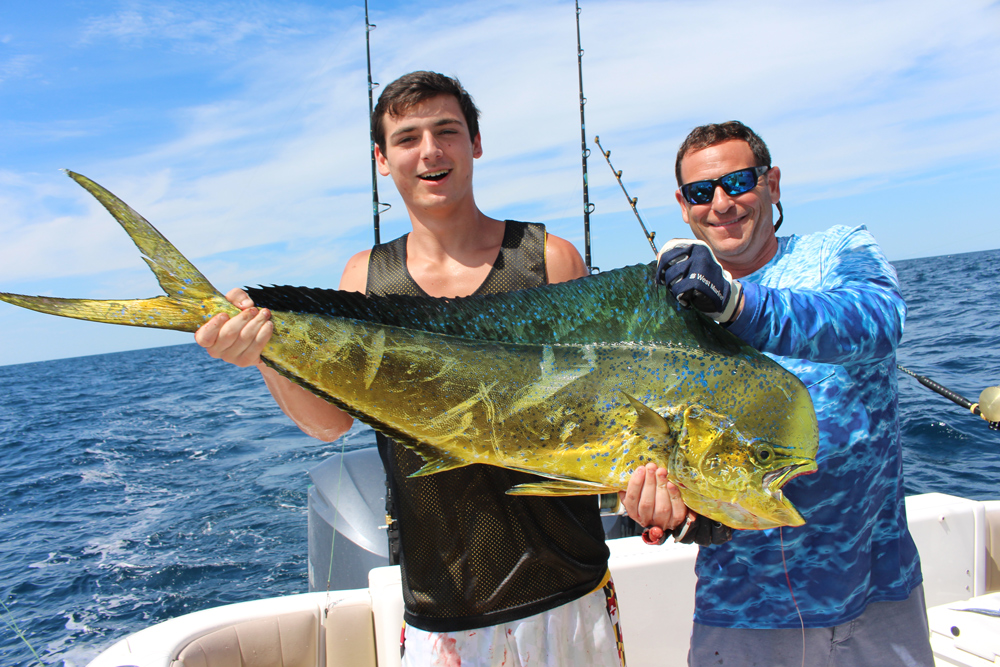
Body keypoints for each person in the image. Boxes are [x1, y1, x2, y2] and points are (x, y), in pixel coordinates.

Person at [194, 71, 647, 667]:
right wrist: (263, 354)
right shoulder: (365, 279)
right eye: (407, 138)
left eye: (447, 131)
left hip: (570, 591)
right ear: (382, 160)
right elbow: (330, 424)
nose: (430, 151)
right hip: (442, 610)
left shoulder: (549, 260)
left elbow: (608, 410)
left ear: (475, 143)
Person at [621, 121, 933, 666]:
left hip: (879, 595)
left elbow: (879, 319)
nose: (722, 203)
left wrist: (738, 305)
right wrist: (667, 515)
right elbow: (686, 482)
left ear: (772, 183)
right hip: (741, 612)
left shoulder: (839, 249)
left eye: (739, 182)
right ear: (683, 205)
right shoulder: (666, 316)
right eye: (701, 191)